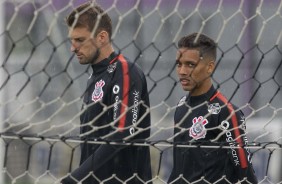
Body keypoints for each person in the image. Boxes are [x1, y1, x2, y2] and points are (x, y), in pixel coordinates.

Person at [61, 2, 152, 184]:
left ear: (102, 37)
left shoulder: (125, 71)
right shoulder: (93, 77)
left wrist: (75, 178)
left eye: (80, 40)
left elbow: (122, 133)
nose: (73, 48)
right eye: (72, 40)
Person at [168, 33, 257, 184]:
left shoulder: (227, 112)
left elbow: (245, 172)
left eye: (190, 64)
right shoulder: (182, 106)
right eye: (179, 64)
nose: (182, 71)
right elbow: (179, 169)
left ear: (209, 67)